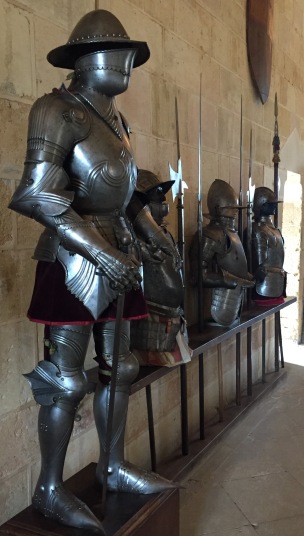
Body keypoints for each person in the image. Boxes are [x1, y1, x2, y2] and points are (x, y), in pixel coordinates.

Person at [8, 10, 174, 534]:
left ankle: (112, 466)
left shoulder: (116, 121)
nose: (126, 63)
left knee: (121, 368)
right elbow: (37, 194)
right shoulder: (56, 110)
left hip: (118, 251)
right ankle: (49, 489)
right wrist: (101, 254)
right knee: (65, 381)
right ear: (86, 58)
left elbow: (121, 193)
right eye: (117, 52)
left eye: (129, 55)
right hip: (72, 257)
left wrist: (150, 231)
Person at [129, 169, 191, 366]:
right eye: (156, 197)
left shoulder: (164, 234)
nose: (163, 202)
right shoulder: (133, 237)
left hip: (172, 316)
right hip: (149, 317)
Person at [189, 179, 254, 327]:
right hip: (220, 304)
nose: (235, 211)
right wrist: (233, 281)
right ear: (218, 209)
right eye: (231, 208)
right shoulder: (211, 235)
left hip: (235, 302)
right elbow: (198, 276)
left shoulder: (231, 233)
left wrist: (247, 277)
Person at [249, 186, 286, 301]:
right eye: (271, 204)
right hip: (263, 284)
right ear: (261, 205)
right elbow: (259, 264)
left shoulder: (275, 230)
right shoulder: (258, 229)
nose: (274, 206)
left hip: (277, 282)